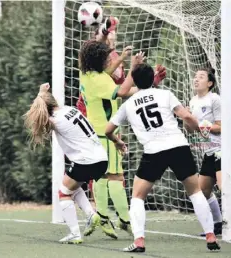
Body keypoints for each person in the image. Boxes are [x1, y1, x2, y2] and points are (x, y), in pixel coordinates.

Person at [105, 63, 220, 252]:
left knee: (137, 196)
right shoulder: (165, 94)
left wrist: (117, 142)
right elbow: (186, 116)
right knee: (195, 192)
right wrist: (197, 128)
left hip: (153, 151)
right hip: (178, 147)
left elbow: (108, 130)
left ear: (134, 80)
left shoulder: (128, 104)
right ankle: (210, 236)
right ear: (153, 79)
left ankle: (139, 241)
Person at [24, 83, 107, 244]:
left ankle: (75, 234)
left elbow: (42, 121)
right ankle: (91, 214)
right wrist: (42, 93)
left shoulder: (54, 120)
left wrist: (40, 94)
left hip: (86, 161)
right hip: (101, 158)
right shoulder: (70, 109)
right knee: (71, 187)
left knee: (63, 193)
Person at [78, 39, 144, 239]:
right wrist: (134, 70)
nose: (110, 59)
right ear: (99, 60)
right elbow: (123, 92)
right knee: (116, 177)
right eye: (108, 57)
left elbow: (106, 75)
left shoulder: (87, 75)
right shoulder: (102, 81)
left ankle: (103, 216)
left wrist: (122, 59)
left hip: (93, 133)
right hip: (106, 134)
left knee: (101, 176)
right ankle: (125, 220)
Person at [187, 68, 222, 236]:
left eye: (201, 77)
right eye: (195, 77)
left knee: (226, 189)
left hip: (223, 151)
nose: (196, 79)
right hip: (208, 152)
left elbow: (220, 127)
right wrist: (185, 117)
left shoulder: (214, 99)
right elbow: (191, 130)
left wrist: (203, 126)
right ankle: (217, 223)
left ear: (209, 83)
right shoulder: (193, 101)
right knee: (203, 191)